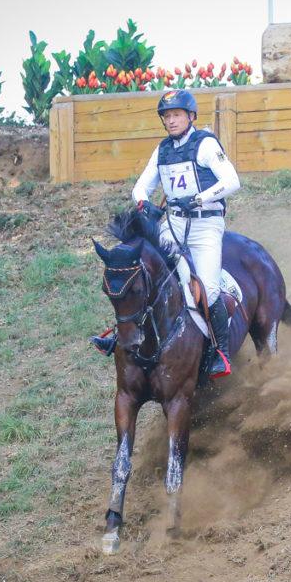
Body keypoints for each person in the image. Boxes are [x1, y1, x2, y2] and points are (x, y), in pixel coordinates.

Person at [91, 89, 240, 379]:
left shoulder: (206, 144)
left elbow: (232, 181)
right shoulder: (162, 150)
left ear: (191, 116)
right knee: (143, 273)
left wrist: (198, 199)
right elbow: (141, 187)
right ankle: (119, 335)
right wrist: (144, 204)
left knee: (207, 290)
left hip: (205, 224)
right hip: (173, 224)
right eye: (167, 116)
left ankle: (221, 351)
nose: (171, 121)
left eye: (176, 115)